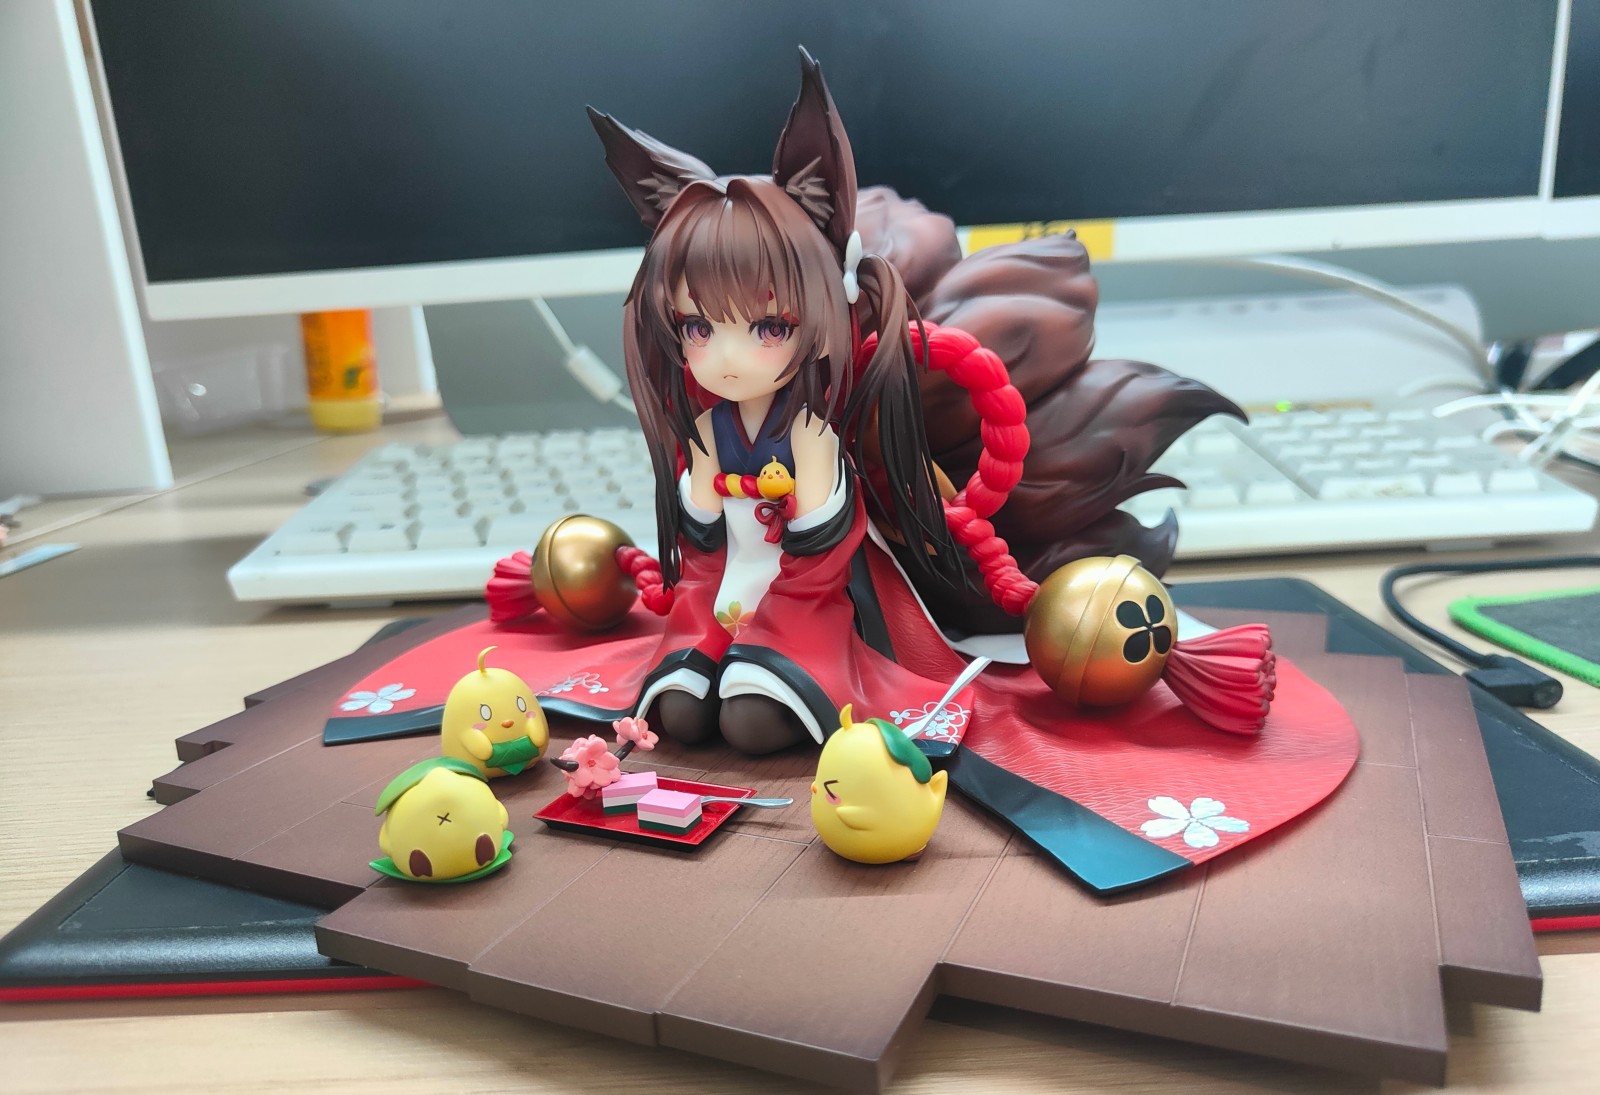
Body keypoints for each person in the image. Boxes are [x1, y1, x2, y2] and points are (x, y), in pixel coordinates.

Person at [327, 51, 1359, 893]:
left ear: (815, 318)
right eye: (696, 329)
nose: (726, 357)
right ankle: (710, 668)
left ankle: (768, 684)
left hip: (809, 605)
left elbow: (823, 556)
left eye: (766, 327)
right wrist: (704, 536)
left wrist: (792, 531)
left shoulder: (813, 433)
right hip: (717, 594)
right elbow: (701, 541)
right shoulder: (710, 427)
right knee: (680, 700)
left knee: (756, 710)